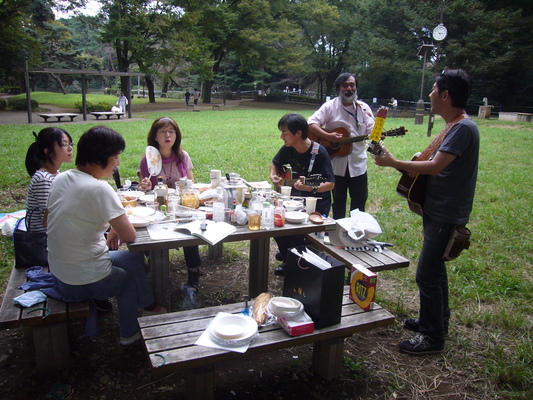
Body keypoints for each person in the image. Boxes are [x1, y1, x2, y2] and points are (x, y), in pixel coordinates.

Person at [375, 68, 480, 354]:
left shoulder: (462, 128)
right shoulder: (455, 125)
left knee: (426, 274)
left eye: (434, 90)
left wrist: (393, 161)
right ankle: (436, 320)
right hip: (438, 208)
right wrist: (393, 162)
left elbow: (434, 167)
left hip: (446, 213)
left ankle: (432, 337)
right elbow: (426, 166)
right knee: (435, 270)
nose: (430, 95)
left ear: (445, 95)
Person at [46, 126, 164, 346]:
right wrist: (115, 229)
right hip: (79, 279)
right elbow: (129, 236)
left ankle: (147, 305)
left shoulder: (61, 179)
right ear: (101, 157)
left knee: (132, 259)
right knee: (126, 282)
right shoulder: (99, 188)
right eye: (116, 157)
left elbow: (48, 220)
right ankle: (129, 334)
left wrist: (109, 230)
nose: (117, 162)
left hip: (59, 270)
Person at [138, 117, 203, 291]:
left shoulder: (183, 157)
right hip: (157, 209)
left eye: (172, 132)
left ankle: (193, 273)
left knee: (190, 232)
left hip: (181, 207)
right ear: (155, 137)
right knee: (148, 234)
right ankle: (157, 270)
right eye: (163, 132)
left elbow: (191, 185)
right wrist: (144, 186)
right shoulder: (148, 160)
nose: (168, 135)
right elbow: (145, 190)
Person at [270, 113, 335, 275]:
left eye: (284, 133)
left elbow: (331, 184)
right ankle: (288, 253)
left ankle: (292, 261)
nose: (281, 137)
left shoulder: (319, 152)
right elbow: (275, 162)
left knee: (293, 231)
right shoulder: (289, 148)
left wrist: (311, 188)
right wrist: (274, 175)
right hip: (294, 200)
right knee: (274, 223)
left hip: (316, 203)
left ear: (298, 133)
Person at [308, 72, 375, 219]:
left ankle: (356, 234)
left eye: (352, 85)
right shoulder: (330, 107)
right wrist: (328, 136)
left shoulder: (364, 108)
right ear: (338, 88)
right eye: (345, 85)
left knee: (359, 202)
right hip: (336, 165)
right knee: (338, 202)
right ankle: (339, 234)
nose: (349, 88)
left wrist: (379, 130)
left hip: (358, 164)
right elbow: (311, 123)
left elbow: (372, 133)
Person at [25, 127, 73, 233]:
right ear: (49, 152)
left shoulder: (55, 174)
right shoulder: (43, 179)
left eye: (71, 144)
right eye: (64, 144)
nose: (70, 148)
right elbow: (49, 220)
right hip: (45, 238)